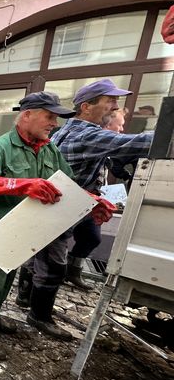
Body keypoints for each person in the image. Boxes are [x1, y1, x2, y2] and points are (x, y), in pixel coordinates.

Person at [0, 91, 114, 359]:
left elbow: (65, 184)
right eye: (49, 117)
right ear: (27, 115)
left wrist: (92, 200)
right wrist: (24, 184)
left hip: (23, 225)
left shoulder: (49, 149)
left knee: (7, 275)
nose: (54, 124)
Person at [51, 79, 154, 290]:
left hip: (81, 202)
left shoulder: (73, 130)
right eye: (111, 100)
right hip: (66, 206)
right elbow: (138, 143)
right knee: (50, 260)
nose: (116, 106)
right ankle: (36, 305)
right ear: (86, 107)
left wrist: (120, 176)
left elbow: (114, 156)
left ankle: (63, 276)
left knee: (88, 238)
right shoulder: (86, 134)